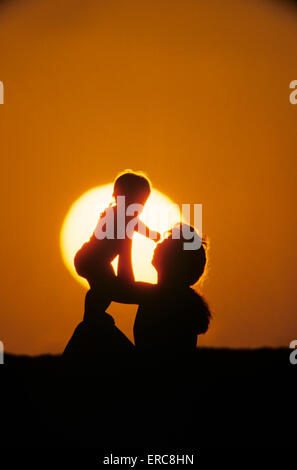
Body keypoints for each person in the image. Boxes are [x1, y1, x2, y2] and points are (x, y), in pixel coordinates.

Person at [74, 171, 161, 288]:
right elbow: (135, 225)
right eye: (138, 201)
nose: (139, 207)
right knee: (108, 289)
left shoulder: (123, 216)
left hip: (99, 262)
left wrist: (150, 234)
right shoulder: (116, 214)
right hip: (91, 259)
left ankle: (95, 300)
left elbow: (135, 224)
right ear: (120, 196)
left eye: (142, 203)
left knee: (104, 291)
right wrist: (150, 234)